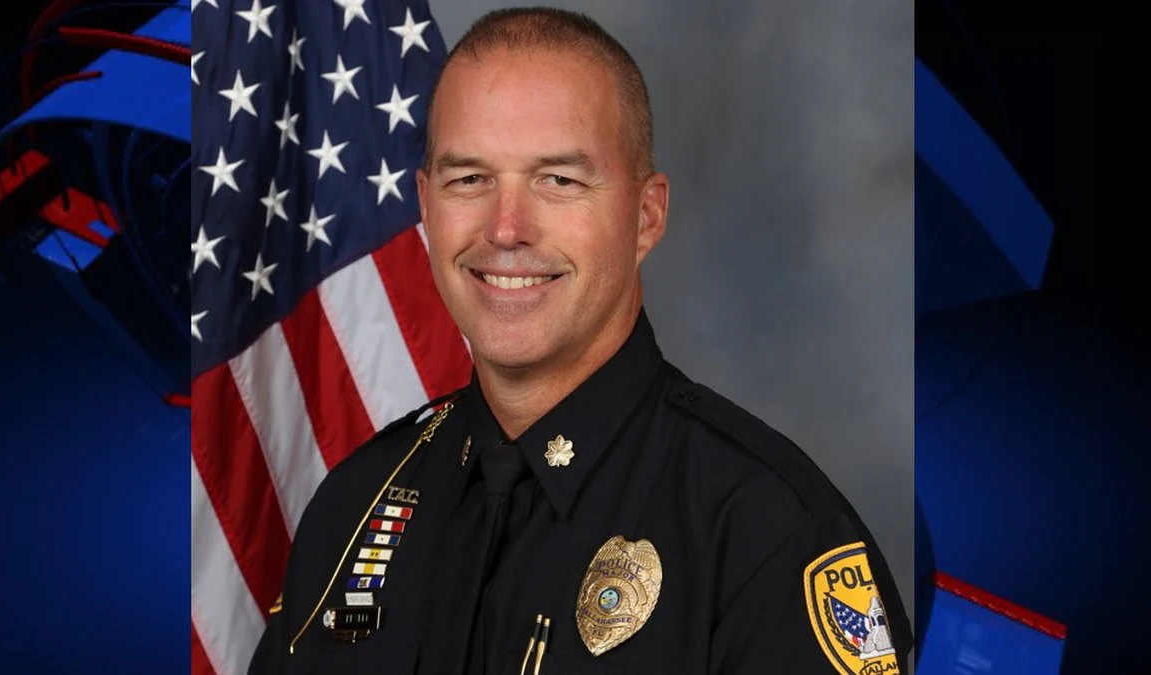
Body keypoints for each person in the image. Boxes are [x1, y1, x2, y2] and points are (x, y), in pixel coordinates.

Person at [249, 7, 912, 674]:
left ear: (646, 217)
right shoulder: (354, 508)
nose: (505, 229)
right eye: (469, 179)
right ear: (426, 205)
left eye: (559, 180)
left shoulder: (767, 534)